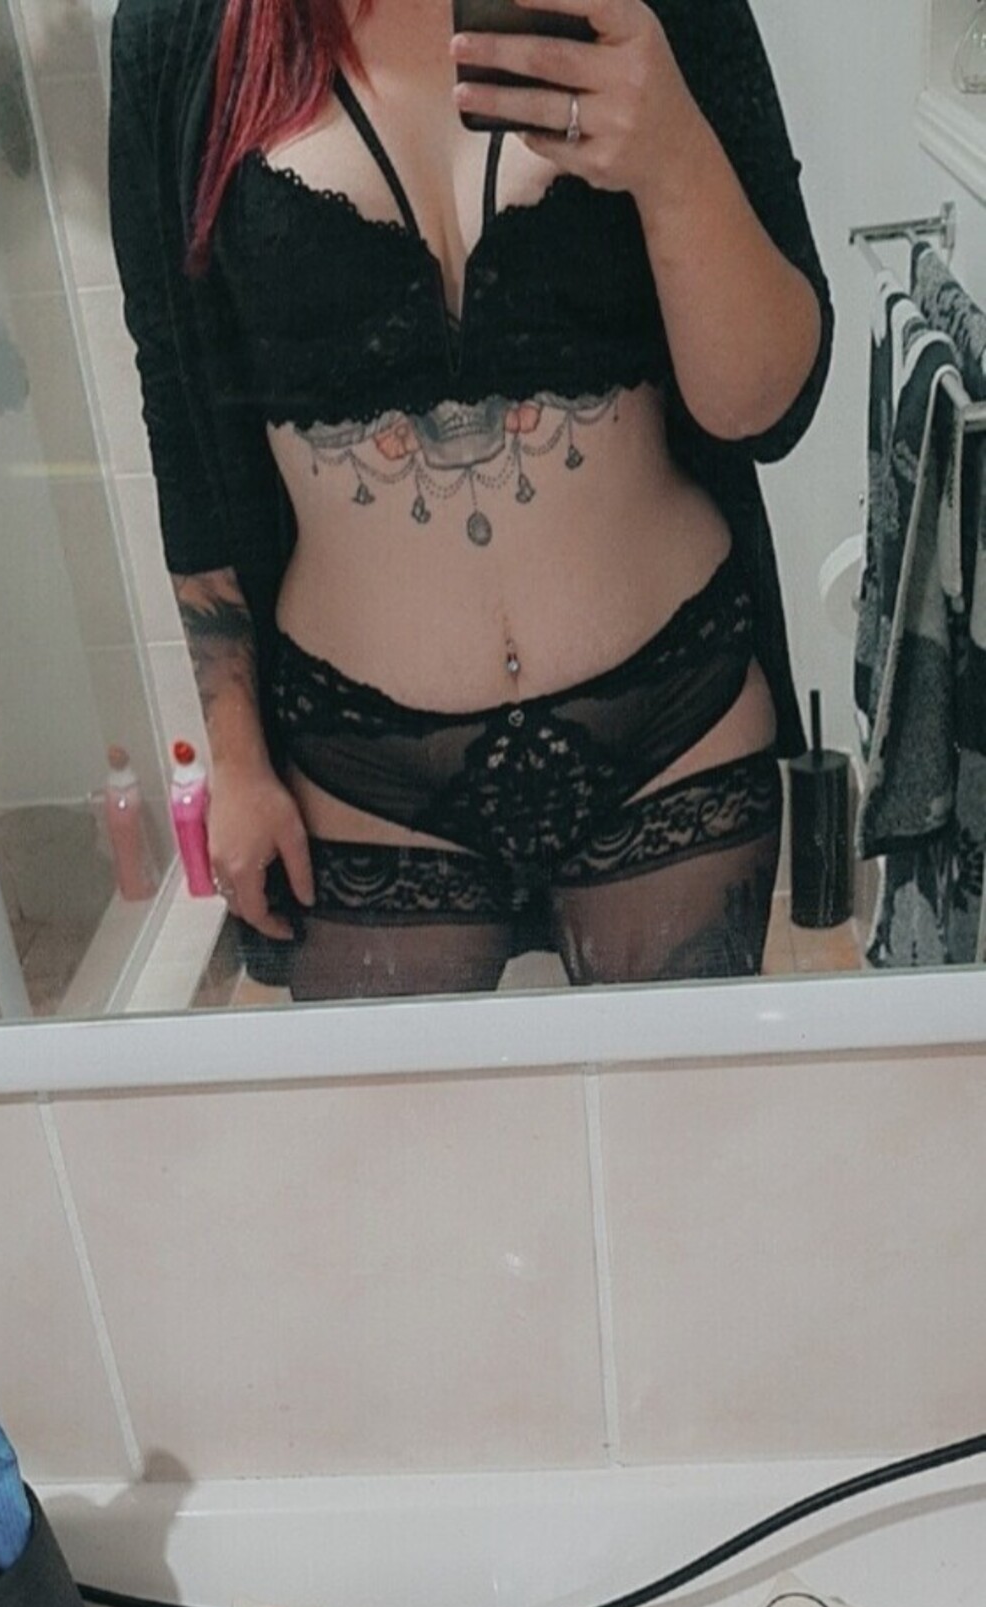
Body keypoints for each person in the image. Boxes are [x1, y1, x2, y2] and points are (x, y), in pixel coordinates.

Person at [109, 0, 833, 998]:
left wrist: (672, 156)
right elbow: (181, 414)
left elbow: (767, 410)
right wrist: (235, 758)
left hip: (671, 718)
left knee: (676, 1106)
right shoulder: (179, 28)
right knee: (409, 1110)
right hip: (359, 770)